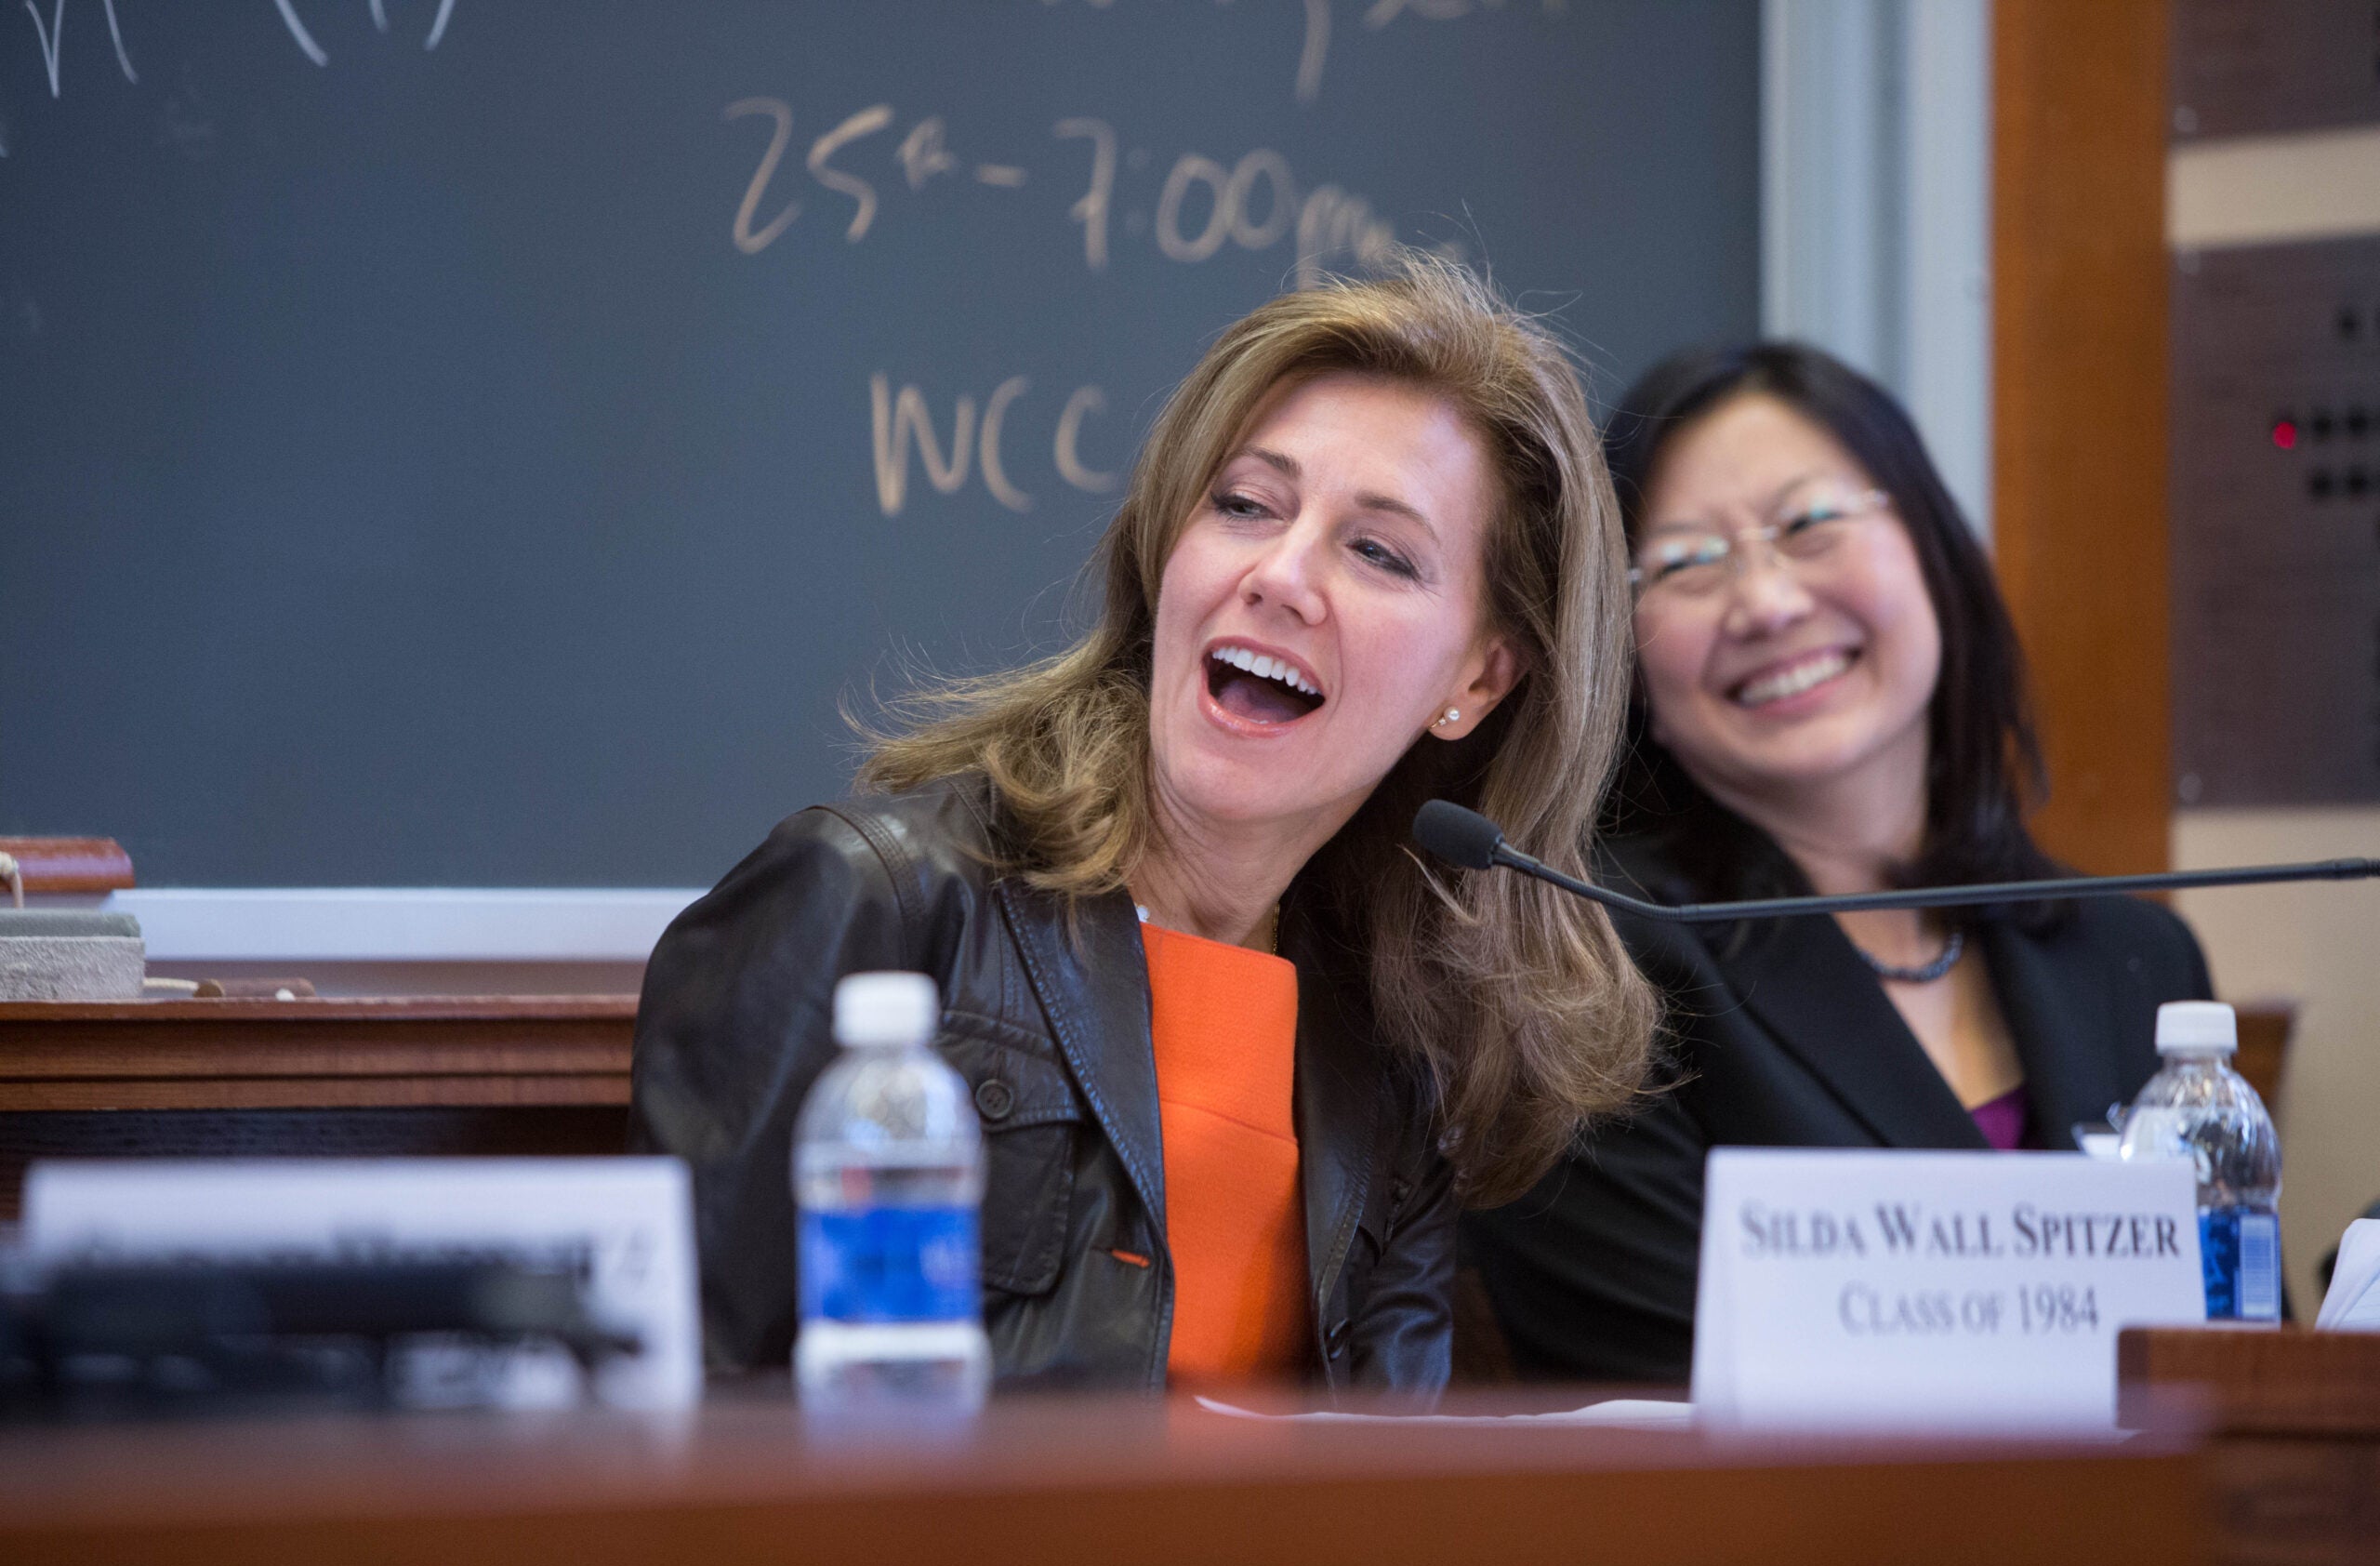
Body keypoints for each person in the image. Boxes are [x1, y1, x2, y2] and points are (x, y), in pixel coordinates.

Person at [632, 258, 1657, 1397]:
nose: (1278, 574)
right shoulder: (870, 901)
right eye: (1245, 505)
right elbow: (670, 1434)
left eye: (1377, 551)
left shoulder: (1389, 1050)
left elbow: (1384, 1497)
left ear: (1477, 677)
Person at [1462, 342, 2214, 1383]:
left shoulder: (2137, 961)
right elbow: (1698, 1402)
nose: (1765, 604)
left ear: (1934, 554)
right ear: (1622, 661)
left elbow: (2244, 1375)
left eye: (1809, 525)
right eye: (1685, 563)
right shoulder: (1587, 975)